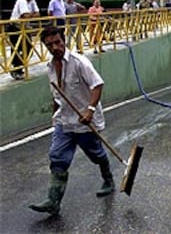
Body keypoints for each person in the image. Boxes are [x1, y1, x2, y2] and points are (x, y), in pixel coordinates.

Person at [29, 26, 115, 215]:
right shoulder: (50, 66)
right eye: (49, 45)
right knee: (57, 156)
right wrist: (54, 116)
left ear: (64, 41)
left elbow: (97, 84)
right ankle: (53, 201)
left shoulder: (79, 62)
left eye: (57, 42)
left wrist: (90, 110)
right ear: (45, 46)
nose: (55, 47)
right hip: (64, 121)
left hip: (85, 121)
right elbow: (57, 94)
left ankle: (108, 179)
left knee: (96, 155)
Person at [8, 0, 40, 80]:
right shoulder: (21, 0)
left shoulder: (32, 1)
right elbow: (25, 15)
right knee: (16, 49)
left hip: (23, 27)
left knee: (29, 47)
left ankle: (18, 67)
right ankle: (16, 69)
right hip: (15, 26)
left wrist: (29, 16)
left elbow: (37, 14)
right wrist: (30, 15)